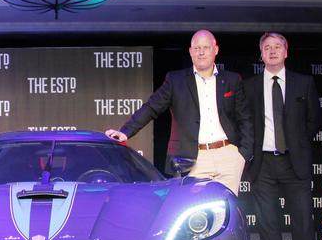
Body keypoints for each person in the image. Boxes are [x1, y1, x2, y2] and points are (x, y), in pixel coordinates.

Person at [105, 29, 252, 194]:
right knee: (193, 207)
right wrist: (125, 132)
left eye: (206, 47)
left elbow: (244, 118)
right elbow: (152, 107)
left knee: (228, 205)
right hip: (193, 158)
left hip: (228, 155)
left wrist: (242, 155)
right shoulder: (176, 80)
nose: (201, 52)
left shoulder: (232, 80)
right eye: (197, 48)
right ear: (190, 51)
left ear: (215, 50)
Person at [243, 33, 322, 240]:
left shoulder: (304, 83)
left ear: (286, 52)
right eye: (267, 48)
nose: (272, 51)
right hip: (263, 163)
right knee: (268, 222)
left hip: (294, 162)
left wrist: (297, 144)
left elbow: (314, 121)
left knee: (303, 222)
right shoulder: (250, 86)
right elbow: (244, 122)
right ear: (261, 55)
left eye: (277, 47)